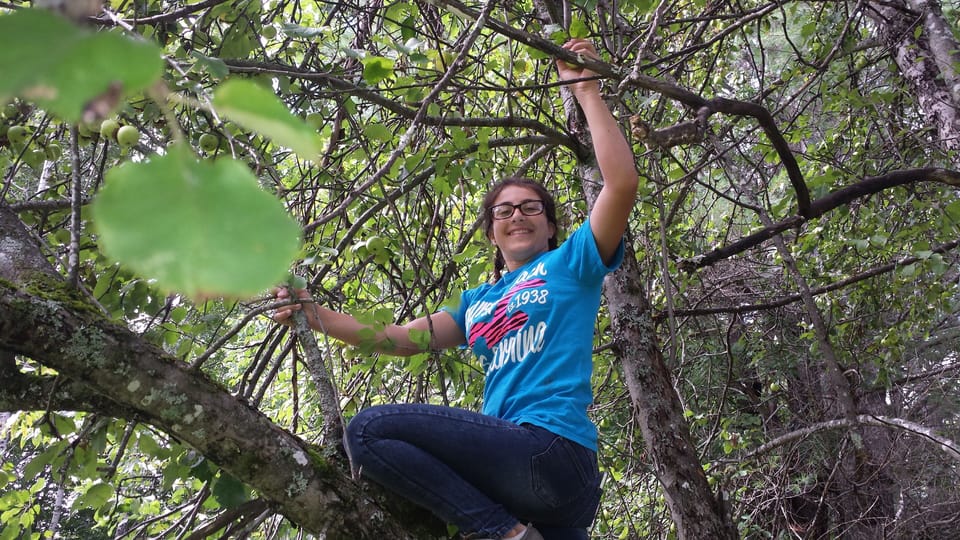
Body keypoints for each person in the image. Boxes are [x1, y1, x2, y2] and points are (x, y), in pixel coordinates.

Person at [274, 38, 638, 540]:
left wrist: (586, 91)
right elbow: (398, 339)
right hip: (531, 496)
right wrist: (314, 314)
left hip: (553, 453)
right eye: (503, 210)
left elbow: (619, 184)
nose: (517, 215)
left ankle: (504, 535)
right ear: (490, 231)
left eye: (531, 207)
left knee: (369, 431)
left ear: (552, 227)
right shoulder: (476, 305)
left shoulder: (571, 262)